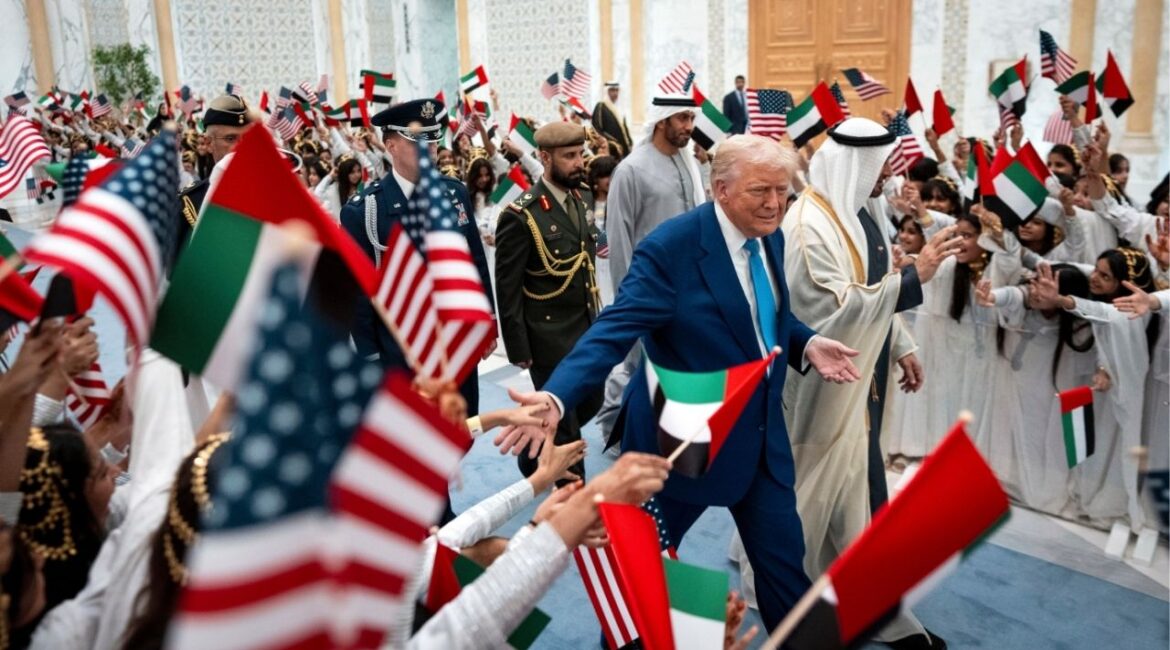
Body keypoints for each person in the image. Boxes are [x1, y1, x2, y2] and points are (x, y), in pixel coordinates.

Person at [508, 135, 863, 632]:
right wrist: (556, 394)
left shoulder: (771, 235)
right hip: (678, 444)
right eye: (760, 190)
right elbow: (614, 329)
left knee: (786, 569)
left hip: (759, 437)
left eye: (782, 191)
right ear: (721, 189)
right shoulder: (671, 249)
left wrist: (805, 343)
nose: (774, 203)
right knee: (642, 576)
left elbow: (757, 315)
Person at [780, 118, 961, 648]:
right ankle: (792, 605)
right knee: (811, 502)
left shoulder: (858, 212)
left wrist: (901, 344)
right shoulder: (809, 226)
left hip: (861, 382)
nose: (888, 175)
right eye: (881, 166)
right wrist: (915, 277)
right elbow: (830, 306)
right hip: (822, 389)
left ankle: (874, 608)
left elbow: (871, 285)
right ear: (854, 165)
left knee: (854, 496)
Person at [338, 98, 494, 416]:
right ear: (391, 145)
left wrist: (487, 320)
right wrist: (371, 357)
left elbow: (475, 260)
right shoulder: (366, 210)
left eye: (433, 142)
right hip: (402, 352)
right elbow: (358, 293)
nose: (430, 151)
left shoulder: (454, 193)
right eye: (418, 143)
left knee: (462, 430)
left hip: (457, 342)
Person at [593, 92, 706, 444]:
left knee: (677, 367)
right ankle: (617, 433)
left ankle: (673, 441)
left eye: (691, 118)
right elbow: (619, 240)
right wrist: (629, 299)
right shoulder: (631, 169)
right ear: (662, 121)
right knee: (636, 366)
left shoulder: (688, 164)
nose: (689, 126)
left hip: (688, 290)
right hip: (648, 290)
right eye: (682, 118)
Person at [493, 121, 602, 479]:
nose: (579, 163)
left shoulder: (582, 198)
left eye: (580, 154)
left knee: (594, 398)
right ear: (544, 158)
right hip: (546, 337)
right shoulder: (521, 215)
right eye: (569, 156)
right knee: (567, 422)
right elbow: (507, 288)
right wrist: (518, 347)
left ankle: (534, 451)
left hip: (584, 327)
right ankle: (573, 494)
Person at [176, 94, 253, 262]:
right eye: (231, 139)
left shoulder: (274, 194)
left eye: (247, 138)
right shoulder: (190, 203)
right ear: (208, 143)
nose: (241, 147)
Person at [590, 82, 633, 160]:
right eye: (612, 90)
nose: (615, 93)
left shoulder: (620, 108)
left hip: (623, 150)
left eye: (617, 90)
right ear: (606, 91)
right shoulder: (601, 106)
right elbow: (596, 128)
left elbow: (624, 130)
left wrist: (630, 142)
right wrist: (612, 144)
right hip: (610, 150)